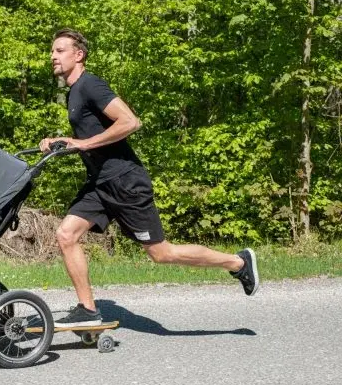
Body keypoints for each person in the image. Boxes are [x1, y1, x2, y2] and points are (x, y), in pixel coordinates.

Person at [42, 28, 259, 327]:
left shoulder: (91, 85)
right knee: (66, 235)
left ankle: (238, 262)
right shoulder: (73, 93)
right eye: (52, 51)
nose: (52, 56)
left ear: (78, 55)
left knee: (161, 253)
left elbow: (131, 121)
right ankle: (88, 310)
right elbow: (87, 134)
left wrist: (83, 144)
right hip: (100, 183)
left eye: (59, 50)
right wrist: (63, 140)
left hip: (125, 182)